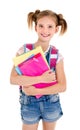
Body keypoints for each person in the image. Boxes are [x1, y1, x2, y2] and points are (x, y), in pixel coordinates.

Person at [10, 9, 67, 130]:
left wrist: (34, 91)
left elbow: (62, 86)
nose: (45, 30)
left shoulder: (57, 55)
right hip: (29, 104)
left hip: (51, 103)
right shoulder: (23, 50)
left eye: (50, 26)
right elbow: (13, 79)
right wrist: (41, 78)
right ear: (35, 27)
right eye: (41, 26)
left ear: (56, 29)